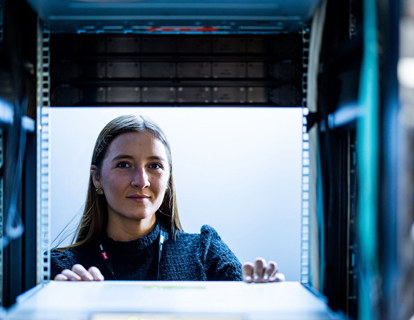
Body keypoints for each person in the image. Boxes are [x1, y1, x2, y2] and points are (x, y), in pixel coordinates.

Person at [50, 115, 285, 283]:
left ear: (168, 178)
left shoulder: (205, 251)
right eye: (124, 165)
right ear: (97, 177)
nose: (141, 181)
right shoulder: (62, 268)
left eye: (154, 166)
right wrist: (66, 307)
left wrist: (261, 296)